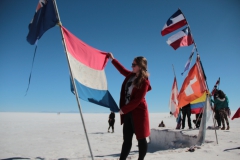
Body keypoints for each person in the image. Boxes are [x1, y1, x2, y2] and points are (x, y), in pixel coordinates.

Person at [108, 53, 151, 160]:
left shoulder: (144, 82)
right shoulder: (130, 76)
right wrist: (112, 59)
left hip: (139, 113)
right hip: (127, 112)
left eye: (134, 64)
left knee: (141, 139)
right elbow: (122, 70)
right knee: (127, 139)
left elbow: (137, 100)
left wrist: (123, 110)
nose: (132, 66)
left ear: (140, 67)